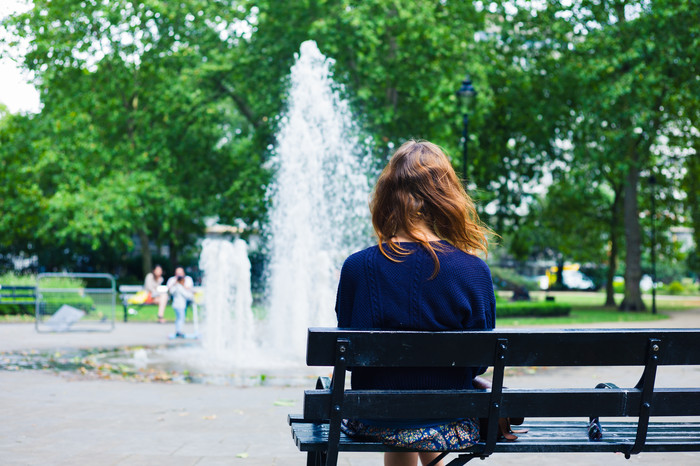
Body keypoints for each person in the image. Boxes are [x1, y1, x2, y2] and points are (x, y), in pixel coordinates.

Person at [335, 140, 496, 466]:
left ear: (387, 196)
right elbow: (479, 362)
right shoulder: (472, 270)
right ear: (445, 196)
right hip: (450, 420)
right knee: (424, 419)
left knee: (401, 419)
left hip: (373, 419)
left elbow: (352, 356)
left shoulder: (357, 267)